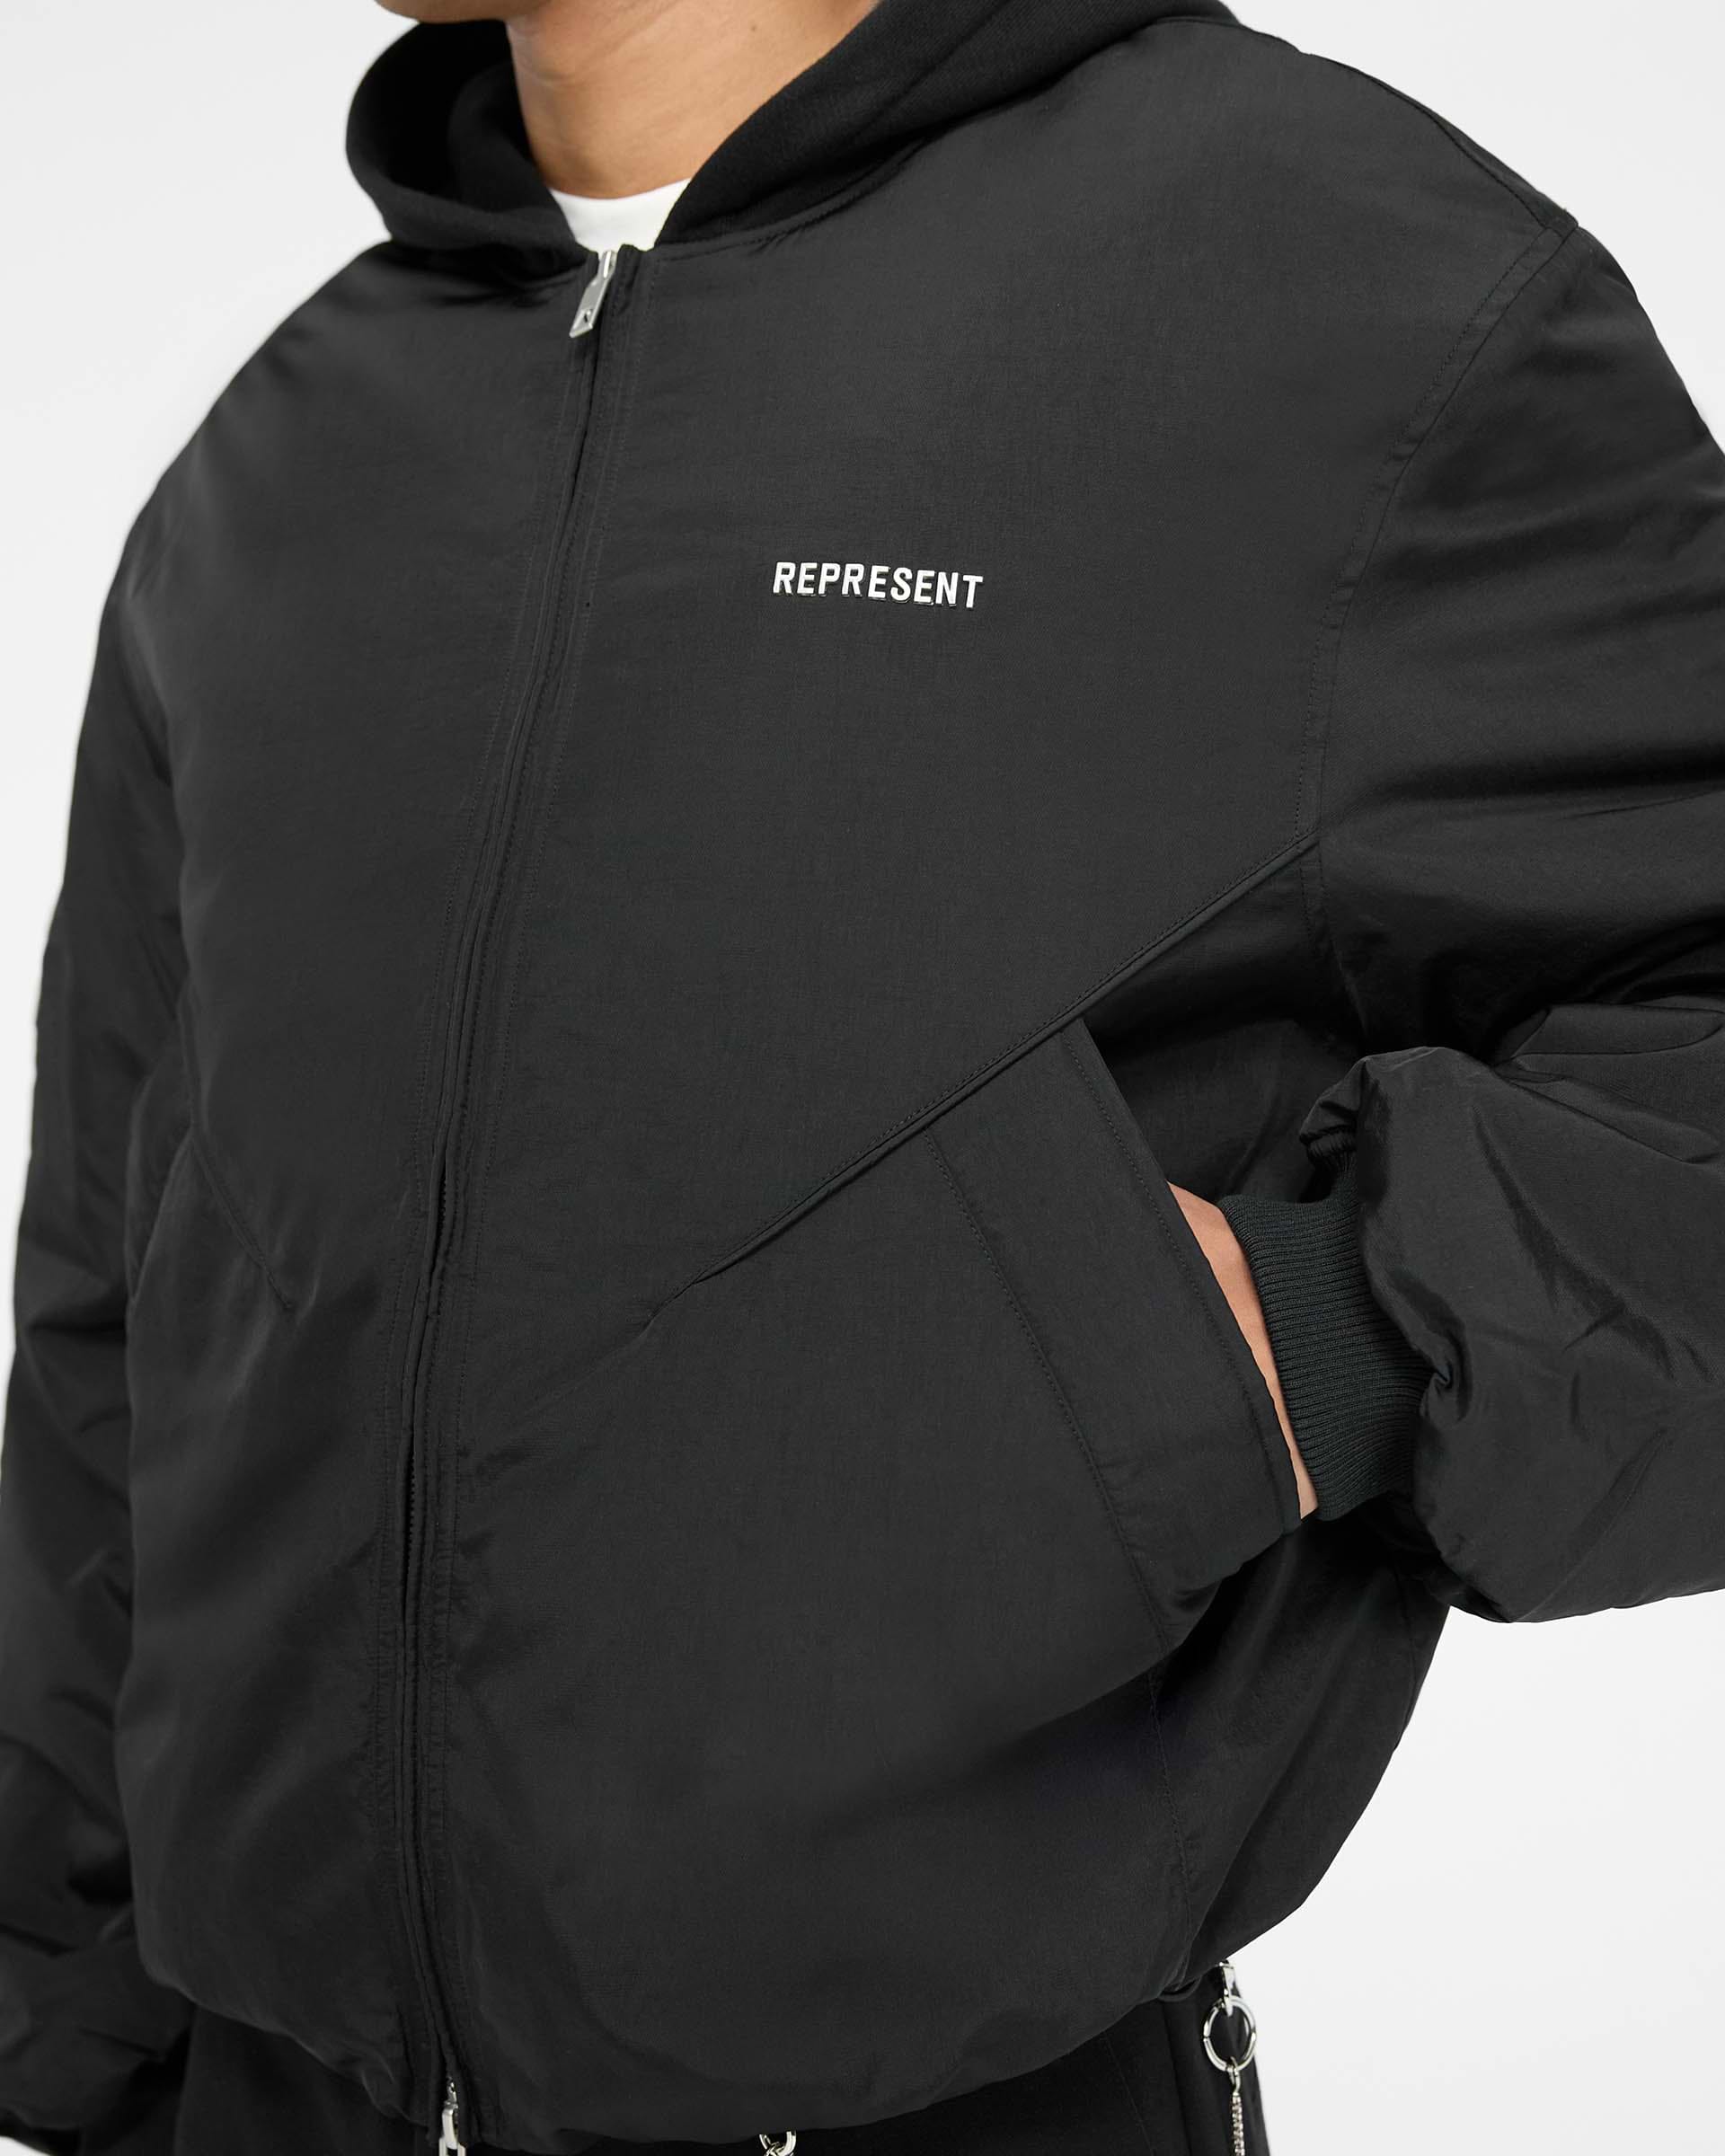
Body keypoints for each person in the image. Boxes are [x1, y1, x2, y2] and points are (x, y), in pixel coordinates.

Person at [2, 0, 1722, 2148]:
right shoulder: (284, 455)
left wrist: (1312, 1339)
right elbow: (117, 1287)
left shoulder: (1345, 291)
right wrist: (76, 2035)